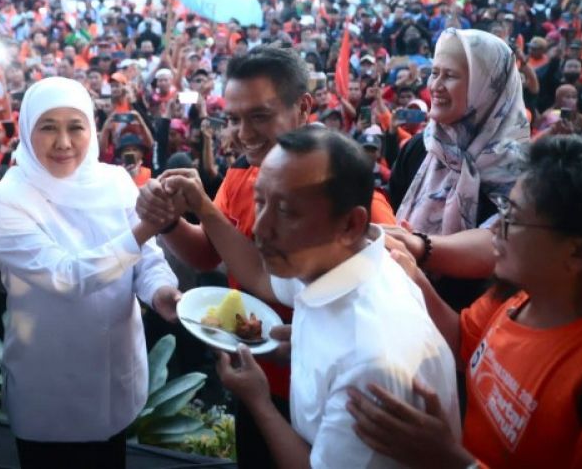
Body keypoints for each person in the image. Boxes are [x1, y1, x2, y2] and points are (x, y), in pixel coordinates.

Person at [136, 46, 397, 468]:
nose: (243, 132)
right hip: (254, 378)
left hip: (324, 392)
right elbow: (208, 253)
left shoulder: (348, 199)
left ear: (303, 108)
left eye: (260, 116)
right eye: (234, 118)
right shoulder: (240, 172)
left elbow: (389, 293)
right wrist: (169, 222)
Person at [348, 135, 582, 467]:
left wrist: (449, 459)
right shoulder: (524, 293)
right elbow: (463, 341)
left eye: (513, 218)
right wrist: (412, 274)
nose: (496, 230)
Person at [201, 127, 459, 467]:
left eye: (287, 212)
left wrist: (258, 400)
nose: (260, 229)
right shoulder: (341, 260)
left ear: (351, 225)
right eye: (260, 201)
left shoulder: (369, 365)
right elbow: (261, 277)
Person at [0, 77, 181, 469]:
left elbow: (147, 259)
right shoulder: (5, 199)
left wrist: (162, 292)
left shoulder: (115, 181)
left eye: (75, 126)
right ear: (26, 129)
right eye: (48, 127)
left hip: (115, 374)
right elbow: (65, 277)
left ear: (92, 128)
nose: (63, 142)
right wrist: (145, 228)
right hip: (50, 385)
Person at [387, 28, 530, 310]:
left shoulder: (524, 172)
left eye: (450, 75)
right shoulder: (420, 148)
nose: (436, 85)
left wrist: (418, 247)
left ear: (486, 86)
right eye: (434, 72)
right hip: (401, 311)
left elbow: (504, 244)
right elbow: (392, 218)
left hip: (476, 328)